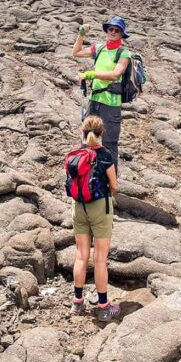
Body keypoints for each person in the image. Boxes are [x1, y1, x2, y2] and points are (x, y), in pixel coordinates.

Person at [70, 115, 121, 322]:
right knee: (100, 259)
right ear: (102, 133)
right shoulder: (105, 155)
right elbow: (115, 186)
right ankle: (103, 305)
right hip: (100, 207)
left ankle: (77, 302)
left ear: (82, 131)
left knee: (81, 256)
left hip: (78, 206)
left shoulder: (75, 153)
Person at [72, 16, 131, 171]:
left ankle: (111, 186)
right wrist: (81, 35)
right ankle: (87, 177)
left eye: (117, 30)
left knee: (109, 143)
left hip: (111, 104)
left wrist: (90, 74)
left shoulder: (123, 53)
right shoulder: (99, 48)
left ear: (121, 34)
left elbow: (115, 74)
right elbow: (76, 52)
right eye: (110, 29)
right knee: (87, 137)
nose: (113, 32)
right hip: (95, 100)